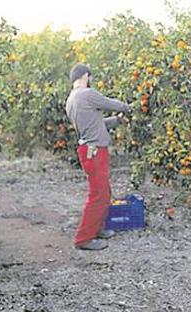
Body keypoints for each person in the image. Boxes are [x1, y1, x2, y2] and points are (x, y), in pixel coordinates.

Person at [65, 63, 132, 251]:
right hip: (94, 151)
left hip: (89, 149)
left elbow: (96, 124)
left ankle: (98, 228)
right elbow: (111, 104)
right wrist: (130, 107)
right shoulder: (87, 94)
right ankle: (83, 239)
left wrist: (117, 120)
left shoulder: (72, 99)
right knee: (98, 195)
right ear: (86, 75)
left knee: (104, 191)